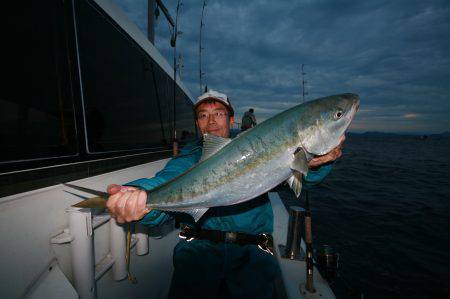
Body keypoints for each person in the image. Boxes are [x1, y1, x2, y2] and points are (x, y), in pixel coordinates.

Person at [106, 90, 344, 298]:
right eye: (203, 115)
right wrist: (137, 196)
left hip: (252, 255)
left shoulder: (257, 146)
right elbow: (164, 182)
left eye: (218, 113)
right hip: (197, 254)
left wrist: (316, 162)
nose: (211, 121)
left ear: (231, 120)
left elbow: (304, 178)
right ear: (198, 123)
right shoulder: (188, 159)